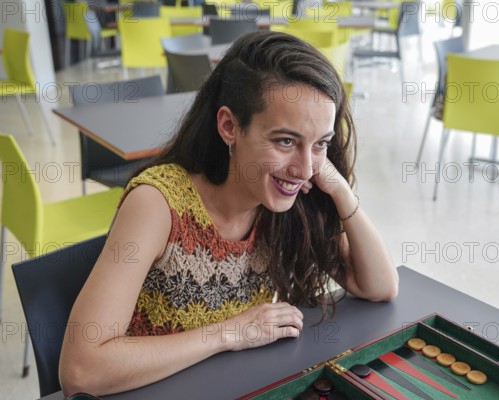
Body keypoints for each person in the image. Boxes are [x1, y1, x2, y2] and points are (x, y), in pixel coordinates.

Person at [59, 30, 398, 396]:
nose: (304, 169)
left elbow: (379, 287)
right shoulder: (158, 204)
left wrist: (341, 193)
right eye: (285, 141)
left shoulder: (287, 199)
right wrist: (231, 332)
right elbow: (83, 369)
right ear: (229, 126)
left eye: (320, 143)